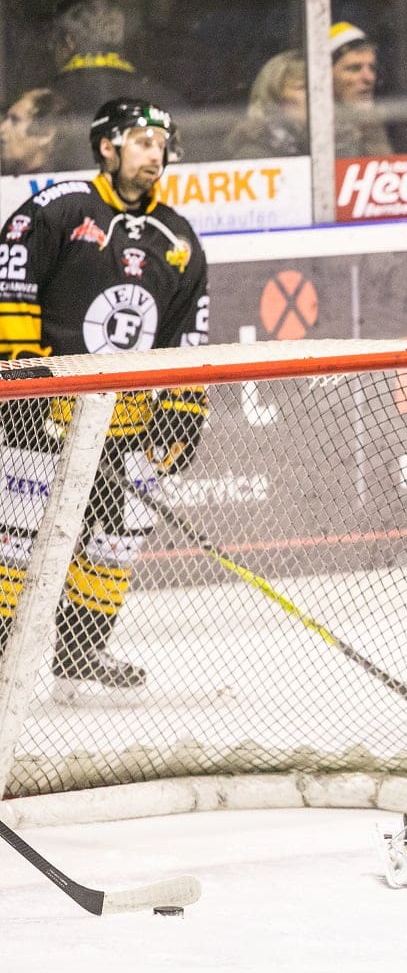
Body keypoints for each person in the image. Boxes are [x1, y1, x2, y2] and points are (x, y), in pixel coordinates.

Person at [0, 98, 210, 697]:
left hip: (128, 425)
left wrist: (183, 412)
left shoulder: (178, 237)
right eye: (142, 141)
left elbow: (185, 336)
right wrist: (23, 386)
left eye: (161, 144)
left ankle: (81, 652)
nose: (155, 153)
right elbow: (12, 287)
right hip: (42, 414)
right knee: (14, 543)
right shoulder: (59, 208)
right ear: (107, 147)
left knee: (114, 540)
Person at [46, 0, 181, 170]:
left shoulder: (41, 103)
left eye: (54, 45)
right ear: (119, 40)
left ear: (69, 42)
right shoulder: (163, 100)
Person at [224, 49, 308, 159]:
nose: (316, 95)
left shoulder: (323, 140)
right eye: (302, 87)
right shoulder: (255, 153)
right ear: (274, 96)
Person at [329, 21, 393, 158]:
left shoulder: (385, 121)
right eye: (354, 68)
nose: (368, 78)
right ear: (325, 75)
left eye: (372, 68)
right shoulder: (306, 125)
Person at [1, 88, 67, 175]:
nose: (1, 128)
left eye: (15, 120)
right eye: (5, 119)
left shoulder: (64, 183)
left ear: (46, 134)